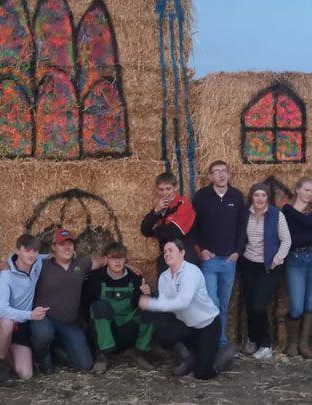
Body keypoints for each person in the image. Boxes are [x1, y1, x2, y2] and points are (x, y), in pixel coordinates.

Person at [139, 240, 224, 380]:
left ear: (182, 252)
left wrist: (150, 304)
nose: (166, 254)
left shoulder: (191, 272)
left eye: (170, 250)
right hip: (187, 325)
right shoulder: (164, 277)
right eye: (164, 252)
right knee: (164, 337)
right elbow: (164, 303)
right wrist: (151, 302)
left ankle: (222, 358)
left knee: (202, 374)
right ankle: (188, 358)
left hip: (207, 325)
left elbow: (183, 302)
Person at [191, 161, 246, 356]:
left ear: (229, 174)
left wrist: (238, 251)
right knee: (211, 302)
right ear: (210, 176)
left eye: (224, 171)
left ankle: (221, 341)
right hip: (210, 261)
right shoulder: (202, 197)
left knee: (223, 304)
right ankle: (210, 342)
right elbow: (193, 227)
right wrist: (201, 251)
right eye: (216, 172)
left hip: (229, 261)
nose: (221, 175)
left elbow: (242, 227)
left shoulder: (237, 196)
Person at [0, 233, 49, 382]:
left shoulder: (37, 263)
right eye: (27, 250)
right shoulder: (6, 275)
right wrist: (30, 315)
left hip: (20, 325)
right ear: (17, 251)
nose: (31, 255)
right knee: (7, 323)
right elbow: (0, 310)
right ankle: (1, 365)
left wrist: (72, 253)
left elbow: (52, 257)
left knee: (25, 374)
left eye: (35, 251)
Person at [30, 229, 95, 374]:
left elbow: (103, 261)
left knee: (85, 366)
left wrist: (125, 264)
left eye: (70, 243)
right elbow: (21, 259)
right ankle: (43, 358)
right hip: (44, 318)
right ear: (53, 247)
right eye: (62, 244)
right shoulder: (42, 265)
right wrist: (5, 264)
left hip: (68, 323)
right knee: (43, 334)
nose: (67, 247)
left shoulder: (82, 263)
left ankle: (58, 350)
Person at [83, 242, 154, 374]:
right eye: (112, 258)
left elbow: (140, 303)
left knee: (150, 306)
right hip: (106, 329)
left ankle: (138, 352)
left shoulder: (135, 278)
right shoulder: (96, 278)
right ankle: (102, 355)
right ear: (106, 259)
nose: (117, 261)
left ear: (125, 259)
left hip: (128, 326)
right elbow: (87, 306)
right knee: (99, 306)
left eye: (120, 258)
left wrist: (146, 294)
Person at [238, 183, 290, 360]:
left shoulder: (276, 215)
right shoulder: (245, 214)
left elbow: (286, 240)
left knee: (259, 305)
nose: (260, 199)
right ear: (251, 197)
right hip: (248, 264)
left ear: (268, 198)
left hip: (268, 266)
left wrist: (278, 258)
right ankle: (252, 339)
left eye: (264, 196)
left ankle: (266, 344)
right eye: (257, 195)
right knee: (250, 305)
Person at [280, 176, 312, 358]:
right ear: (297, 189)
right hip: (296, 261)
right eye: (306, 190)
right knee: (297, 307)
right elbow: (289, 240)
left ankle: (303, 343)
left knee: (309, 303)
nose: (310, 194)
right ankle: (291, 341)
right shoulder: (286, 210)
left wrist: (296, 221)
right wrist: (306, 234)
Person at [140, 172, 200, 274]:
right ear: (157, 190)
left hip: (185, 256)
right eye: (161, 189)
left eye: (168, 189)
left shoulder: (184, 204)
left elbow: (174, 231)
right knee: (164, 288)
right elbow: (145, 230)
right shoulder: (161, 205)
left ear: (175, 188)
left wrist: (155, 231)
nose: (165, 193)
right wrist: (155, 211)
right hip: (167, 257)